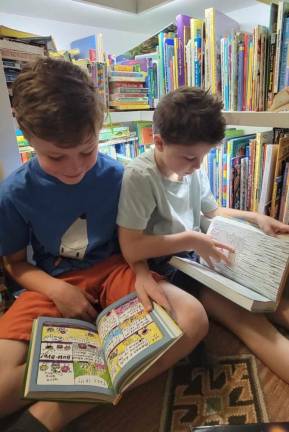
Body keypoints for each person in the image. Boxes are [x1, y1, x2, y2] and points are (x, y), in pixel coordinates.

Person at [0, 61, 208, 432]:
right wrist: (57, 290)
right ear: (27, 137)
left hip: (118, 269)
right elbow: (15, 264)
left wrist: (142, 272)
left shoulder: (121, 176)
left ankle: (54, 410)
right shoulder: (14, 193)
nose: (74, 168)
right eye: (55, 157)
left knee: (192, 319)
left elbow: (133, 240)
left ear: (99, 132)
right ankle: (86, 375)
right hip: (53, 282)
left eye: (87, 150)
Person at [117, 86, 289, 384]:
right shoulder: (139, 176)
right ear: (158, 142)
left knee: (274, 302)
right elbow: (131, 248)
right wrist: (192, 240)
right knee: (246, 320)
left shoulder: (189, 167)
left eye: (204, 156)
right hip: (169, 265)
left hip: (196, 254)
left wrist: (256, 218)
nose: (197, 166)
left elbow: (212, 212)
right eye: (190, 158)